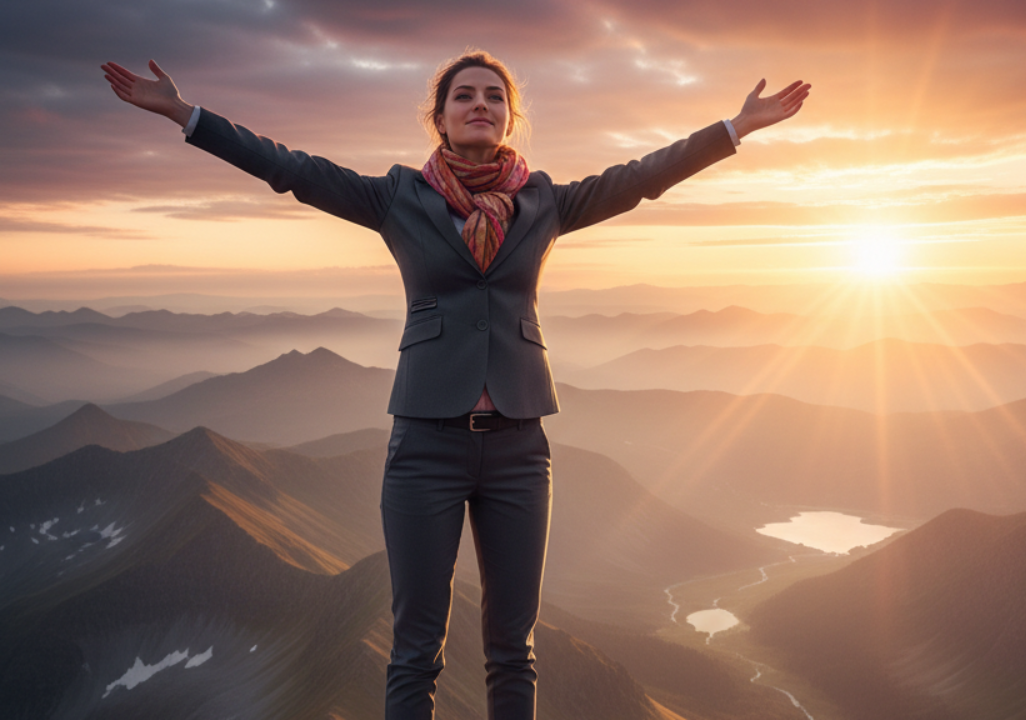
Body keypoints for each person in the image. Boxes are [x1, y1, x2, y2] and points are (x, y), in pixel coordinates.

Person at [102, 51, 809, 720]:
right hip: (424, 446)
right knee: (415, 649)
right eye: (463, 96)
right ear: (438, 119)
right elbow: (289, 168)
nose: (480, 104)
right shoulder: (395, 197)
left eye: (494, 97)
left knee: (513, 649)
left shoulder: (544, 203)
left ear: (510, 118)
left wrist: (734, 128)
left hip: (519, 449)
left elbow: (641, 176)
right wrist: (184, 114)